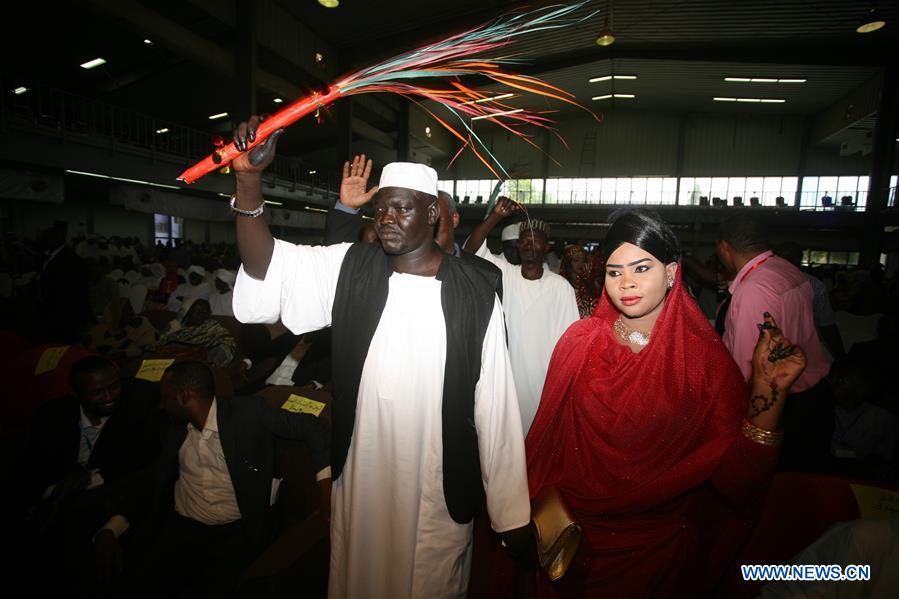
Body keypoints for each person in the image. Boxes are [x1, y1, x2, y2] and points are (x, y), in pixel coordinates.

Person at [229, 117, 530, 598]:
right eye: (381, 208)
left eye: (402, 208)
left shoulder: (474, 293)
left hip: (436, 482)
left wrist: (511, 512)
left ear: (433, 214)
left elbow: (496, 408)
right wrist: (248, 181)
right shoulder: (352, 267)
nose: (386, 218)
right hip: (363, 476)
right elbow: (265, 262)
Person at [526, 209, 808, 597]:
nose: (626, 283)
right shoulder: (580, 342)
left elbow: (738, 484)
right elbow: (546, 443)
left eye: (641, 268)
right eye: (614, 271)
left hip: (653, 555)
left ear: (673, 272)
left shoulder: (704, 363)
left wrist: (767, 396)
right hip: (573, 541)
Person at [95, 360, 331, 595]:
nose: (160, 405)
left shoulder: (248, 413)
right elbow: (153, 478)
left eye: (165, 397)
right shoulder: (171, 427)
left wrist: (325, 485)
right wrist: (112, 527)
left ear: (184, 397)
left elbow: (313, 426)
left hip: (235, 531)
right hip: (181, 526)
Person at [717, 214, 831, 472]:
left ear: (724, 248)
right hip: (811, 396)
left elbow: (748, 369)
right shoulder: (784, 268)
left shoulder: (753, 289)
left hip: (777, 406)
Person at [464, 197, 578, 433]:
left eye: (535, 241)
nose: (529, 245)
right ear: (518, 246)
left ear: (546, 247)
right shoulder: (506, 274)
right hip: (505, 380)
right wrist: (496, 215)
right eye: (525, 241)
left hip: (542, 383)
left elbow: (570, 344)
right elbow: (470, 249)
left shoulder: (560, 287)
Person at [559, 244, 599, 319]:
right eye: (576, 260)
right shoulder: (561, 284)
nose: (580, 264)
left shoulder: (588, 283)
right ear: (568, 263)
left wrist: (589, 281)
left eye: (583, 261)